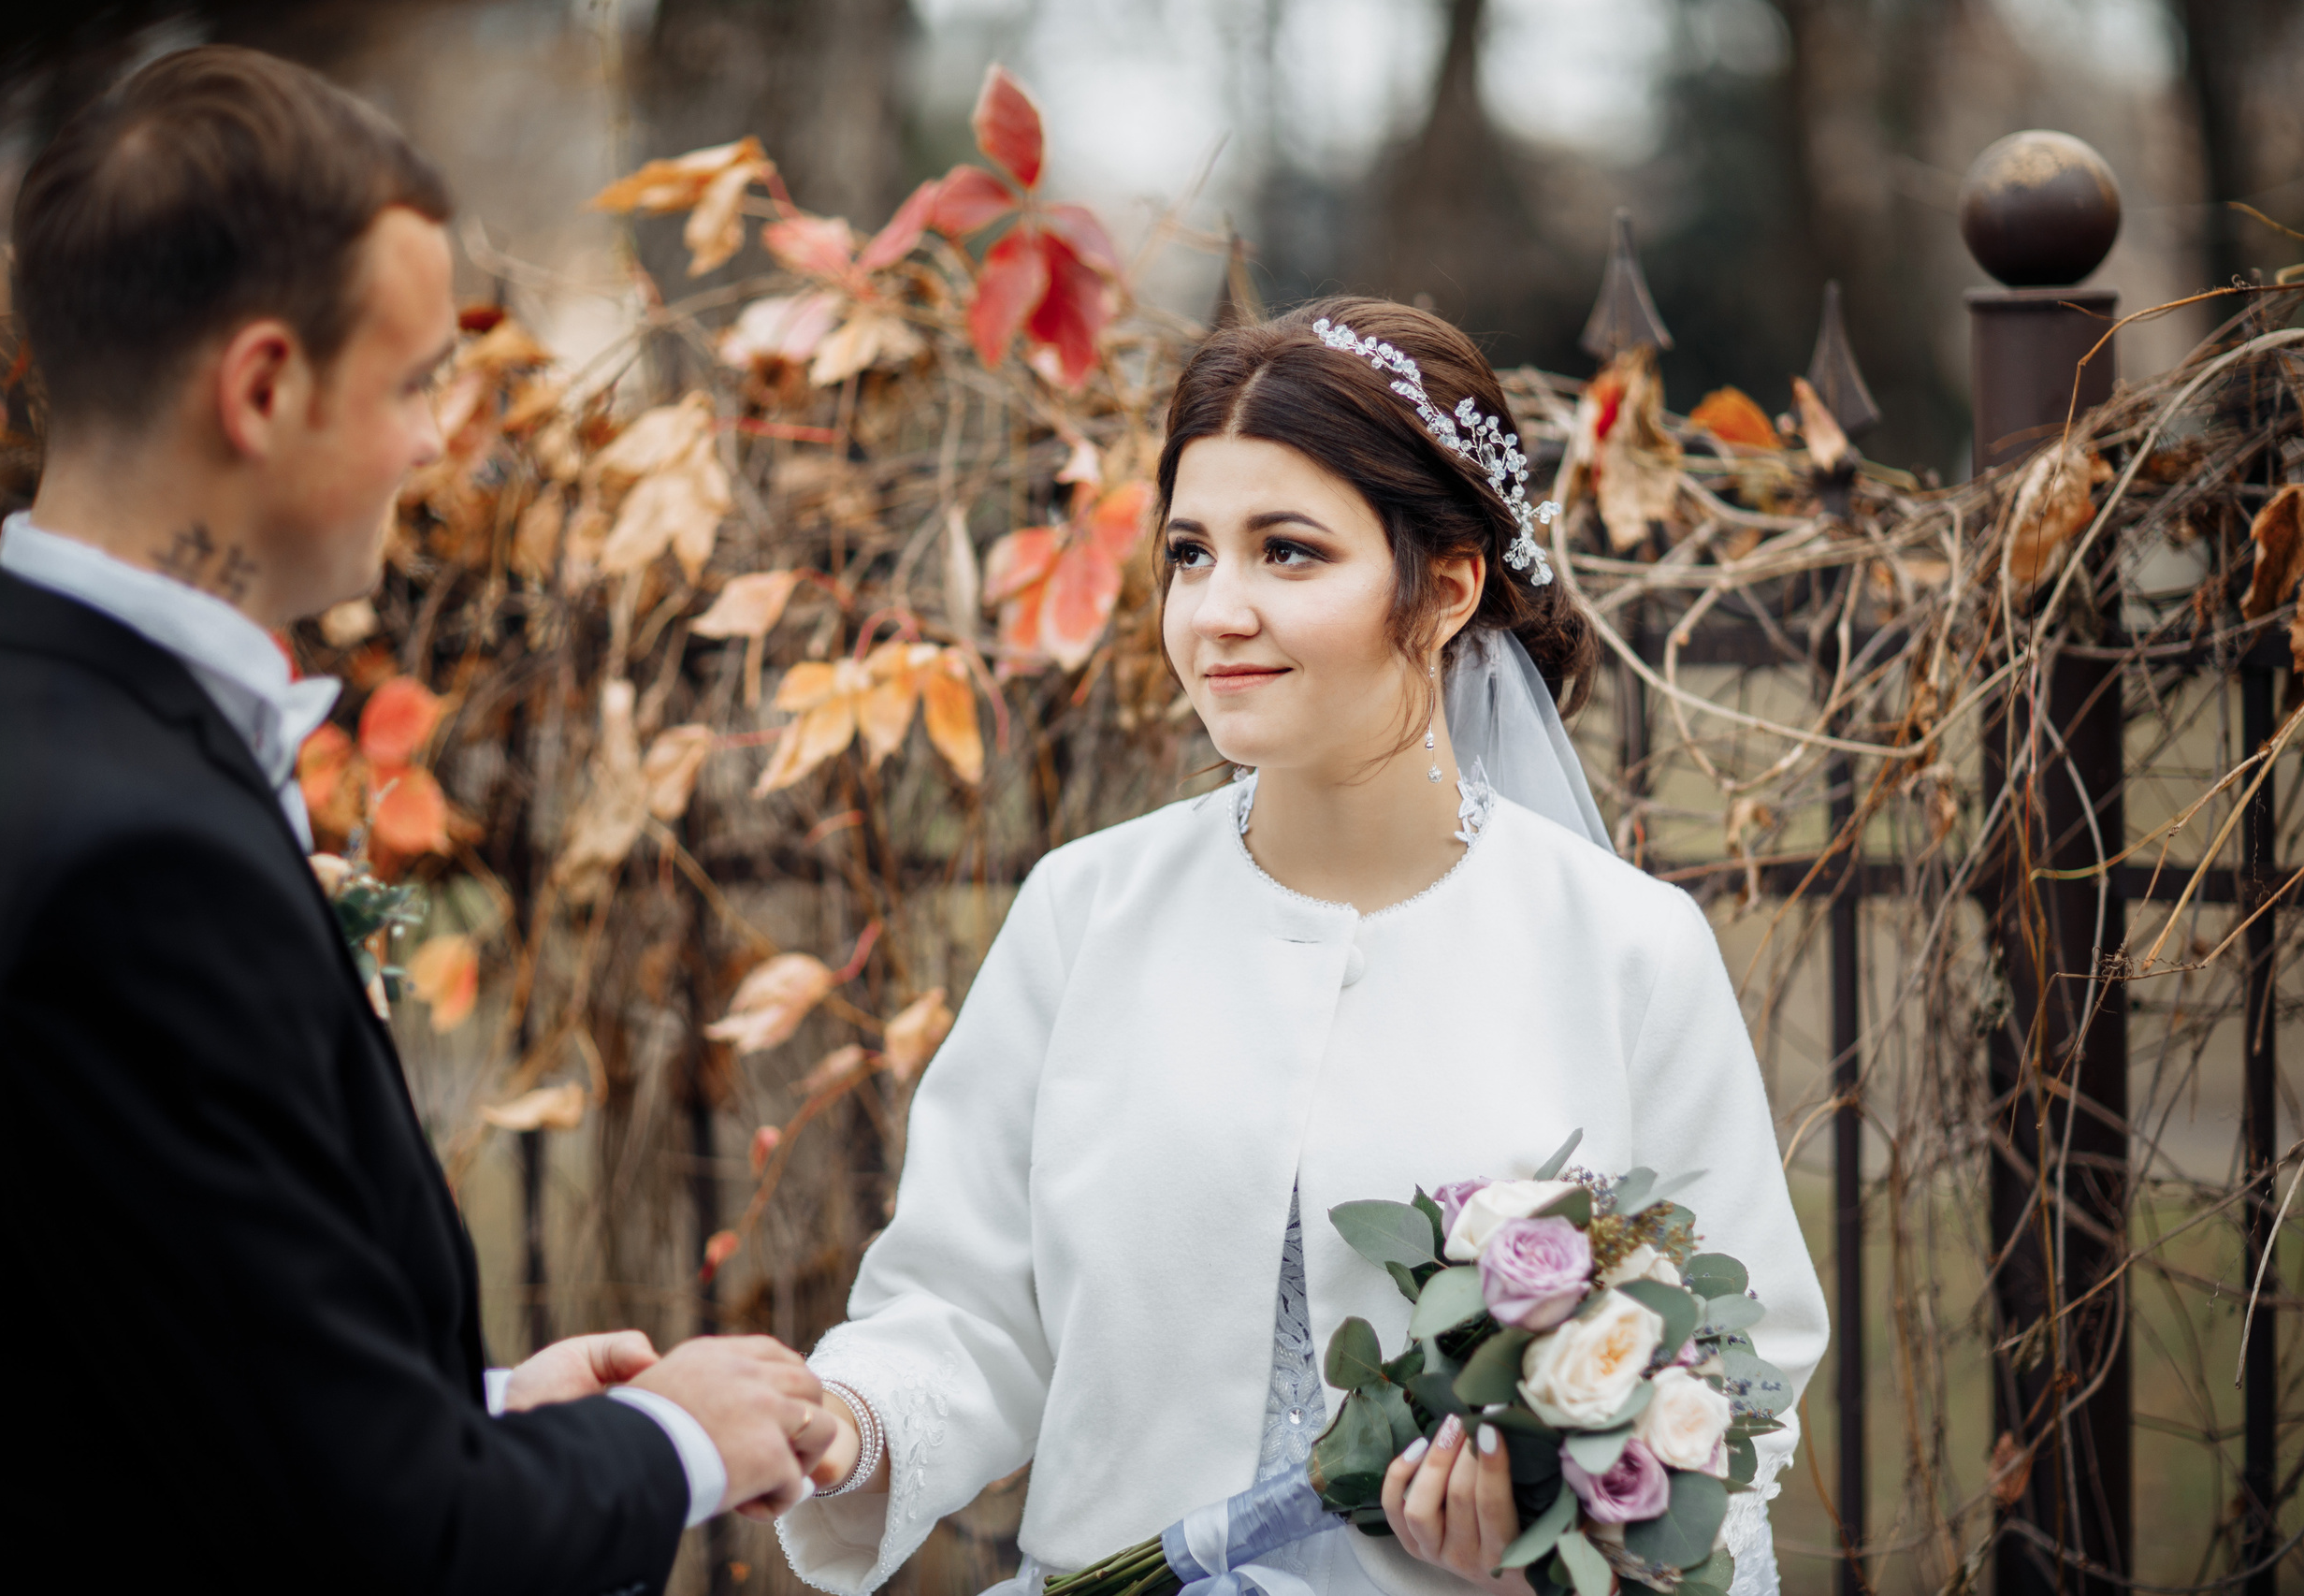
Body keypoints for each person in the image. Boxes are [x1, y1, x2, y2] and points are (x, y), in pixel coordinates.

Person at [0, 46, 835, 1594]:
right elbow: (383, 1538)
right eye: (416, 381)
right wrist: (677, 1443)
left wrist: (478, 1417)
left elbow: (101, 1362)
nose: (440, 442)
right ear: (265, 387)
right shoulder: (138, 857)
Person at [774, 299, 1826, 1596]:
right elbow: (968, 1307)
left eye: (1287, 552)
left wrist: (1550, 1534)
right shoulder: (1081, 911)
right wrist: (852, 1422)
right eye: (1189, 552)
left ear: (1446, 586)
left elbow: (1737, 1381)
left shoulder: (1627, 950)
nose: (1216, 612)